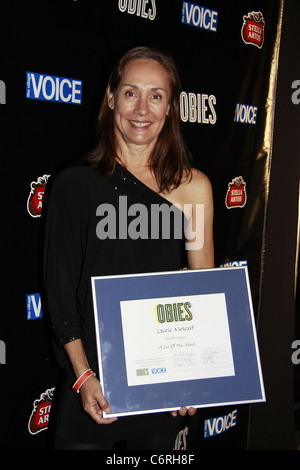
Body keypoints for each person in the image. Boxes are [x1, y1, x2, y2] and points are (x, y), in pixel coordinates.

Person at [43, 46, 214, 450]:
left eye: (156, 96)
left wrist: (193, 377)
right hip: (91, 386)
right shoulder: (74, 185)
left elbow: (202, 293)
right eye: (131, 93)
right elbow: (61, 292)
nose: (142, 109)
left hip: (159, 389)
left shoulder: (194, 188)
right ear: (110, 98)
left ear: (170, 107)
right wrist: (83, 376)